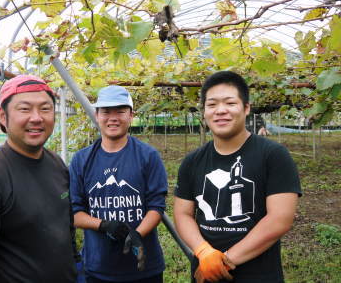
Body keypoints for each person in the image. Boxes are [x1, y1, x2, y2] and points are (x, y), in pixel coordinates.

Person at [173, 71, 301, 283]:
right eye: (212, 104)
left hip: (258, 275)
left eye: (230, 103)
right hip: (204, 273)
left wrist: (224, 261)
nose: (220, 111)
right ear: (204, 111)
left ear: (246, 108)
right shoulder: (192, 161)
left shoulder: (273, 155)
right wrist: (204, 252)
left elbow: (280, 219)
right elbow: (182, 214)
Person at [0, 75, 78, 282]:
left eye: (45, 109)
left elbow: (66, 228)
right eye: (25, 109)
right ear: (3, 116)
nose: (37, 118)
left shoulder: (57, 164)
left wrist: (75, 264)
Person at [69, 85, 167, 283]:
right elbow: (73, 212)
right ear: (97, 115)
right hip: (98, 268)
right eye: (106, 111)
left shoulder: (148, 156)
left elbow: (156, 206)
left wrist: (138, 234)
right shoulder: (81, 160)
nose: (113, 118)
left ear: (131, 116)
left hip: (144, 268)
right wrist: (104, 225)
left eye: (120, 111)